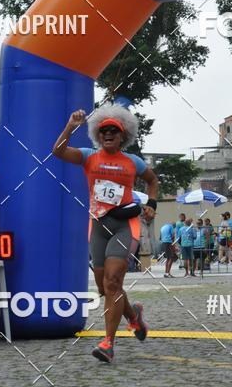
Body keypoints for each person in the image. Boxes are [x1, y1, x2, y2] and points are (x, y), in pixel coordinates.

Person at [52, 104, 159, 364]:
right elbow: (58, 151)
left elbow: (153, 181)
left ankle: (108, 344)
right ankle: (133, 316)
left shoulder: (133, 162)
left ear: (123, 136)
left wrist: (152, 205)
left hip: (124, 225)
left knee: (112, 282)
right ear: (98, 135)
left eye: (114, 131)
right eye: (103, 131)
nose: (108, 134)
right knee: (105, 288)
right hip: (98, 226)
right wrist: (70, 126)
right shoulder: (89, 156)